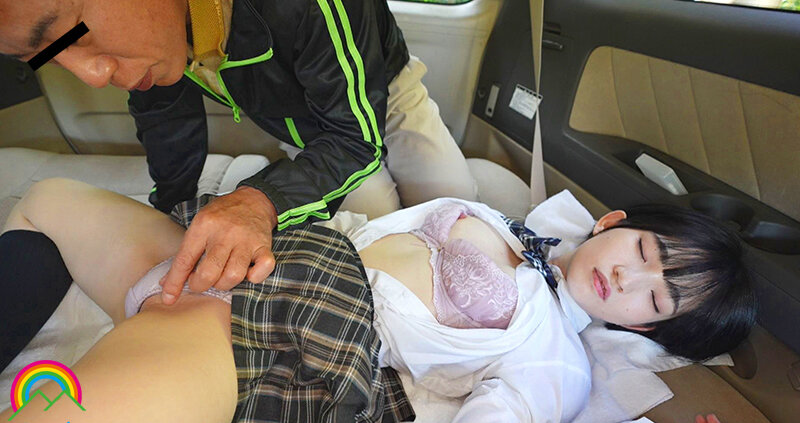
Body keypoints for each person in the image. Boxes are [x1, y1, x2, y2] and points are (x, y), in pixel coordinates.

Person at [0, 178, 754, 423]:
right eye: (645, 251)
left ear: (642, 330)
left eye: (654, 298)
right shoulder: (511, 222)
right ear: (614, 220)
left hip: (263, 335)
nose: (628, 276)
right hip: (234, 263)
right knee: (45, 199)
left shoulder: (551, 354)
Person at [0, 0, 478, 308]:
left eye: (73, 34)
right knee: (373, 226)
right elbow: (166, 117)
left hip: (383, 92)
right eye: (45, 57)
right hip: (298, 124)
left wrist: (260, 201)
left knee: (458, 203)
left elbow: (355, 137)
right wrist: (172, 209)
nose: (91, 76)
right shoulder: (161, 29)